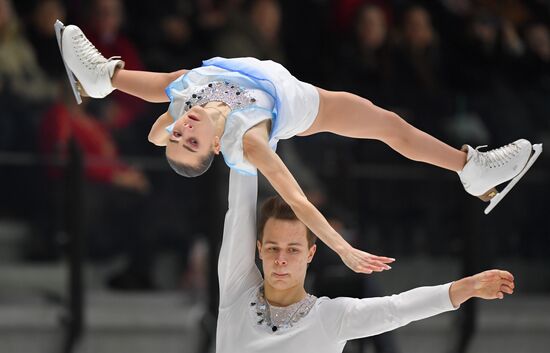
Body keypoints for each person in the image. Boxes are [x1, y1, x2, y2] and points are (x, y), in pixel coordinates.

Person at [55, 22, 542, 274]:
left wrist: (169, 131)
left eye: (179, 133)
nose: (185, 129)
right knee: (389, 125)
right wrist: (342, 247)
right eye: (192, 140)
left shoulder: (185, 100)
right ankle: (470, 169)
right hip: (301, 102)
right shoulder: (247, 139)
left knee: (172, 83)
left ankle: (102, 78)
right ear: (213, 149)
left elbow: (157, 132)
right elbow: (298, 199)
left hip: (233, 75)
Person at [216, 168, 515, 353]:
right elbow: (239, 208)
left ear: (310, 253)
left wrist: (466, 287)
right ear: (258, 250)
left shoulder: (331, 318)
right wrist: (252, 131)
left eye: (292, 249)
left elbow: (396, 309)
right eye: (272, 248)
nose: (281, 259)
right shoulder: (236, 292)